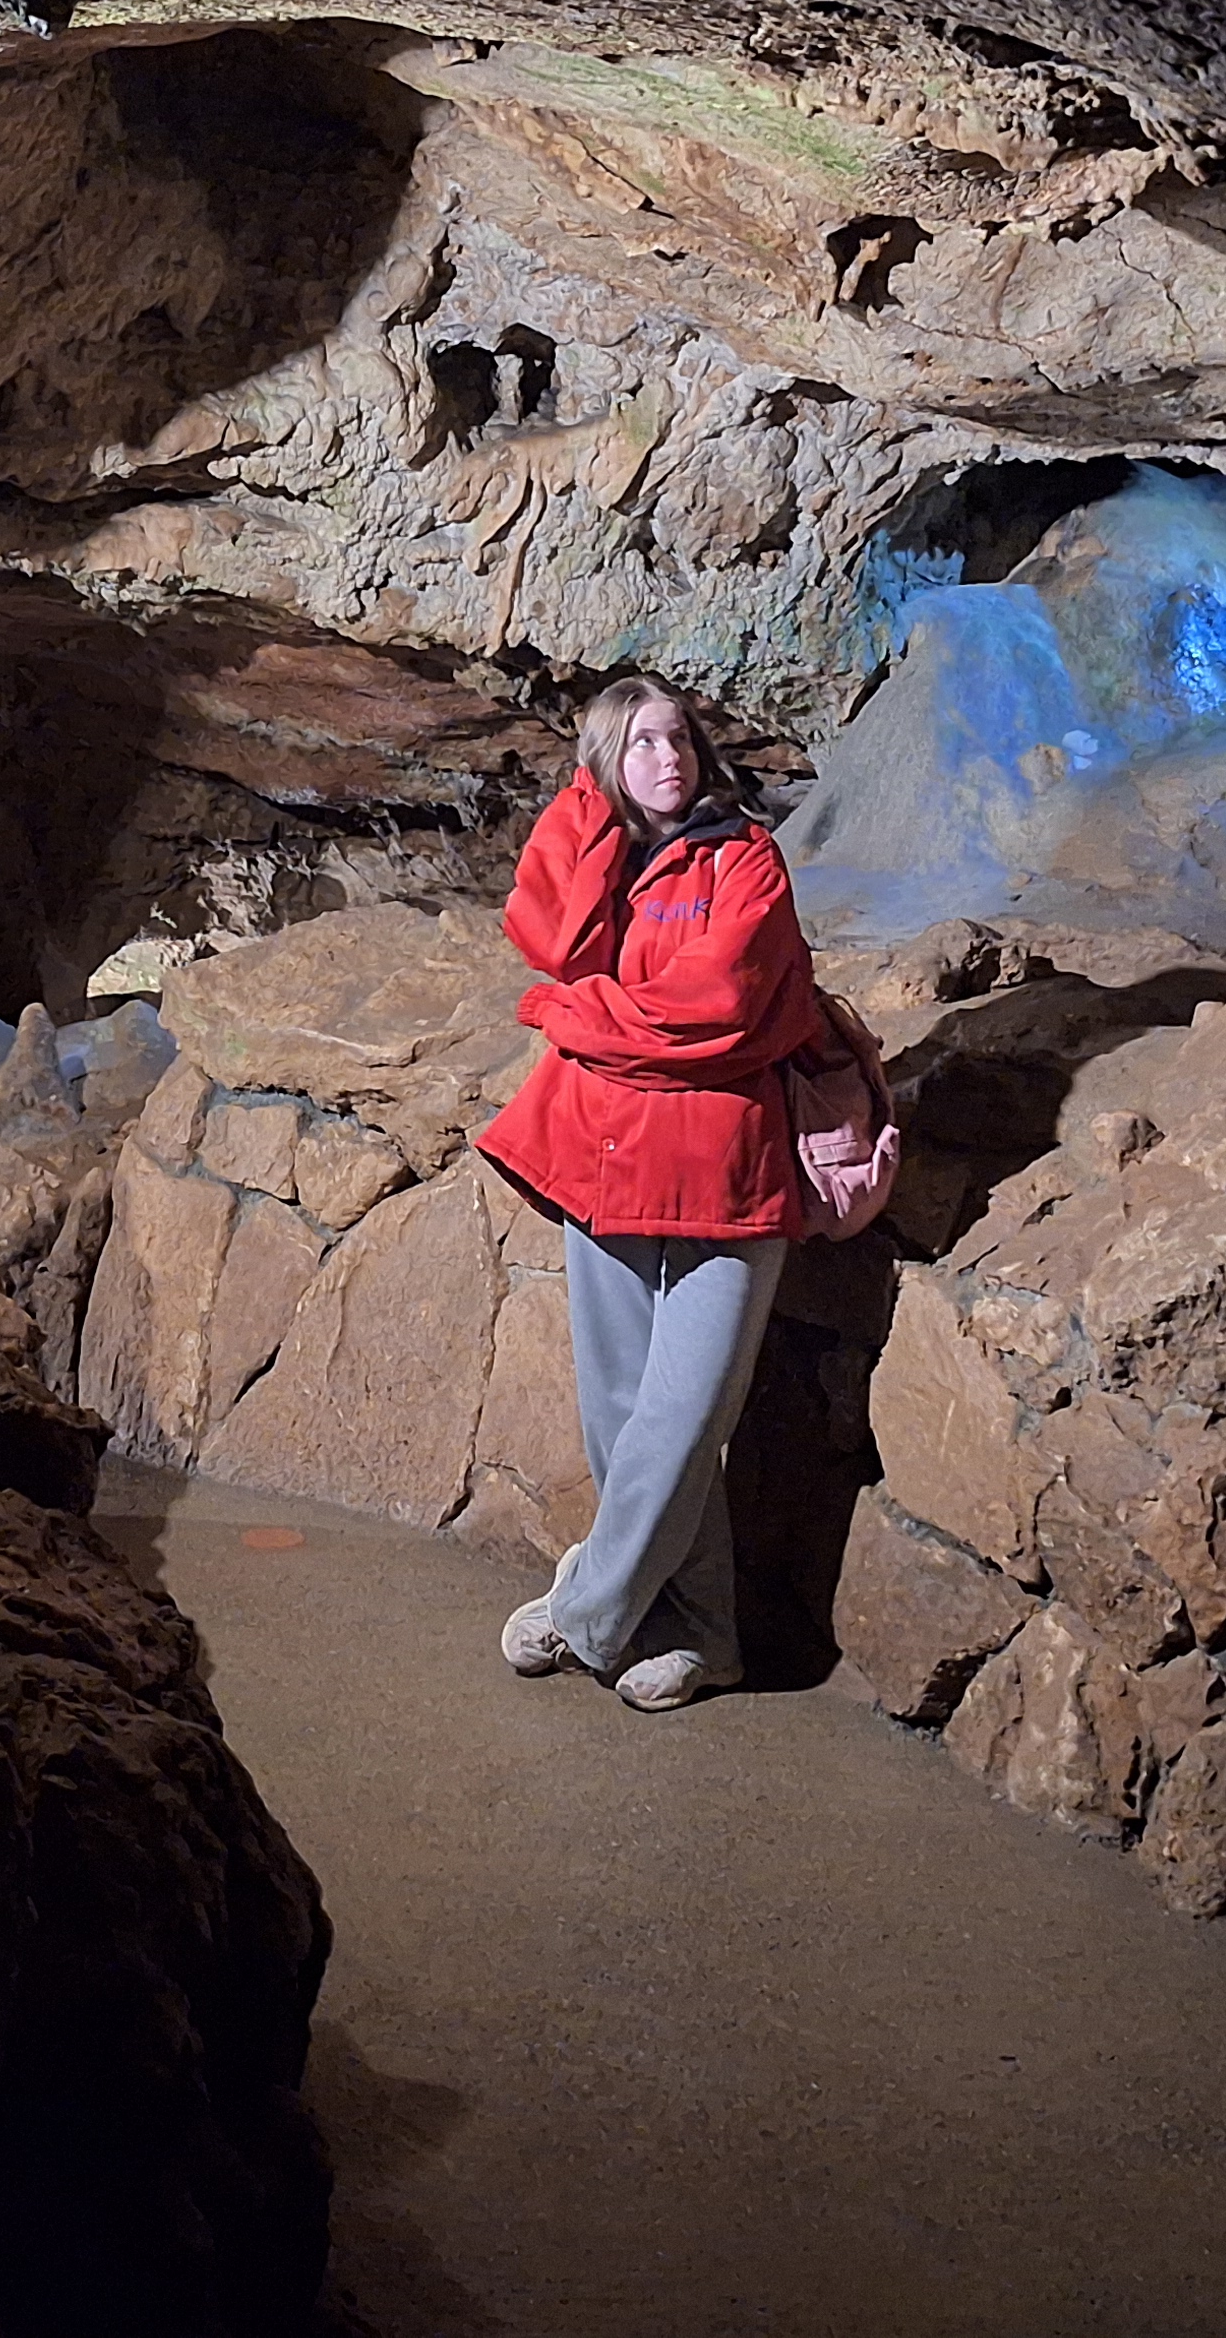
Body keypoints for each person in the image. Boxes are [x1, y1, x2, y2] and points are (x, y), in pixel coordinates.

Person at [473, 675, 823, 1710]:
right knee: (621, 1416)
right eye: (638, 746)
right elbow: (549, 936)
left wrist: (575, 1019)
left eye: (677, 739)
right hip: (606, 1162)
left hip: (725, 1178)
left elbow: (712, 1012)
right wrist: (591, 803)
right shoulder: (609, 855)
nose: (667, 760)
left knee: (680, 1418)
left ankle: (587, 1608)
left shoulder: (746, 859)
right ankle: (704, 1636)